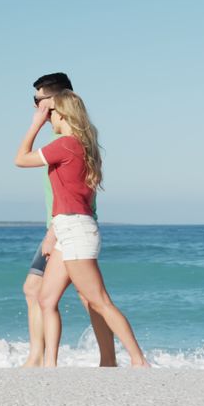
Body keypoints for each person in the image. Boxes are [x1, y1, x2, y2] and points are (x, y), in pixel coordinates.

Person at [14, 90, 148, 367]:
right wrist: (53, 233)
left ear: (62, 114)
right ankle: (50, 365)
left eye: (51, 113)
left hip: (76, 229)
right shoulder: (81, 145)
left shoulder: (65, 144)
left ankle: (138, 360)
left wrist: (35, 124)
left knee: (99, 301)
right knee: (46, 298)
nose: (48, 118)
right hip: (68, 228)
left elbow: (21, 158)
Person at [20, 73, 117, 368]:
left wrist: (53, 233)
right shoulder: (62, 139)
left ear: (56, 100)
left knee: (89, 297)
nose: (36, 106)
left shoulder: (69, 141)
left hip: (67, 227)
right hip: (59, 226)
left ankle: (107, 360)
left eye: (39, 100)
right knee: (34, 289)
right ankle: (39, 357)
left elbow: (84, 195)